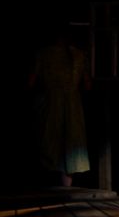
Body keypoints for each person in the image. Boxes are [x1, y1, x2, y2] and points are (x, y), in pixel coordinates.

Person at [27, 23, 91, 187]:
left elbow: (30, 83)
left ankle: (49, 188)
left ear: (53, 34)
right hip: (72, 104)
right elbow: (87, 86)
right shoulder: (79, 55)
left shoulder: (42, 54)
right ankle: (65, 187)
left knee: (48, 143)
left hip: (49, 102)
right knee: (69, 144)